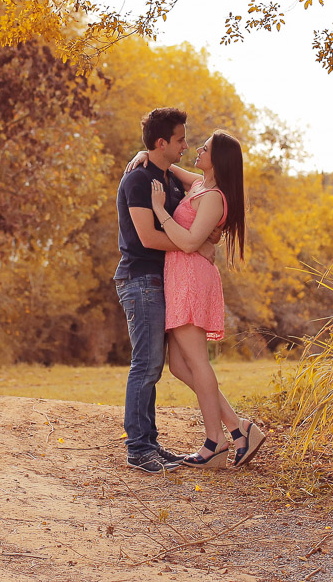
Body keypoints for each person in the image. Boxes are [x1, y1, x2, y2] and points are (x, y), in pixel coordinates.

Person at [135, 129, 265, 468]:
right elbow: (175, 169)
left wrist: (159, 210)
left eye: (204, 148)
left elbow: (192, 242)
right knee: (179, 365)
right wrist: (145, 155)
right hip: (180, 277)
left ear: (217, 158)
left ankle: (215, 441)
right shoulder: (200, 185)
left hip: (191, 279)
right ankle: (239, 429)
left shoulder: (214, 197)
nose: (196, 150)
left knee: (197, 362)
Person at [114, 108, 219, 473]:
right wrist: (194, 244)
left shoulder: (168, 180)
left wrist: (204, 236)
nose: (185, 145)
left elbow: (201, 198)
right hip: (140, 279)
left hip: (163, 282)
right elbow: (148, 237)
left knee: (155, 365)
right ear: (163, 142)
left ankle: (150, 444)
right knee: (146, 364)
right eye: (179, 140)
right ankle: (138, 448)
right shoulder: (139, 181)